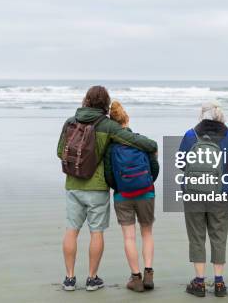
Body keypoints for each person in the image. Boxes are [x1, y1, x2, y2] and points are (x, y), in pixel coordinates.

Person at [57, 86, 158, 292]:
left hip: (73, 185)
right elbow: (141, 142)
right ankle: (92, 279)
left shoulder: (70, 122)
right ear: (106, 103)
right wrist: (153, 145)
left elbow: (60, 152)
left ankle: (69, 278)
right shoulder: (107, 125)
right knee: (96, 232)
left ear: (85, 100)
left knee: (71, 231)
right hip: (97, 187)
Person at [178, 101, 228, 298]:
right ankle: (219, 283)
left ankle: (199, 282)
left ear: (202, 115)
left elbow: (181, 163)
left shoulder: (190, 135)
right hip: (221, 193)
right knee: (219, 235)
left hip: (194, 193)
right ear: (220, 116)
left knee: (196, 236)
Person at [103, 101, 159, 293]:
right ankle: (149, 273)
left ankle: (136, 278)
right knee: (147, 233)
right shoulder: (140, 140)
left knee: (129, 237)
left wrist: (119, 188)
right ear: (127, 119)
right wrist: (147, 183)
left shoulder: (111, 147)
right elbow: (154, 167)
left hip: (123, 195)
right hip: (146, 192)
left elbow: (108, 175)